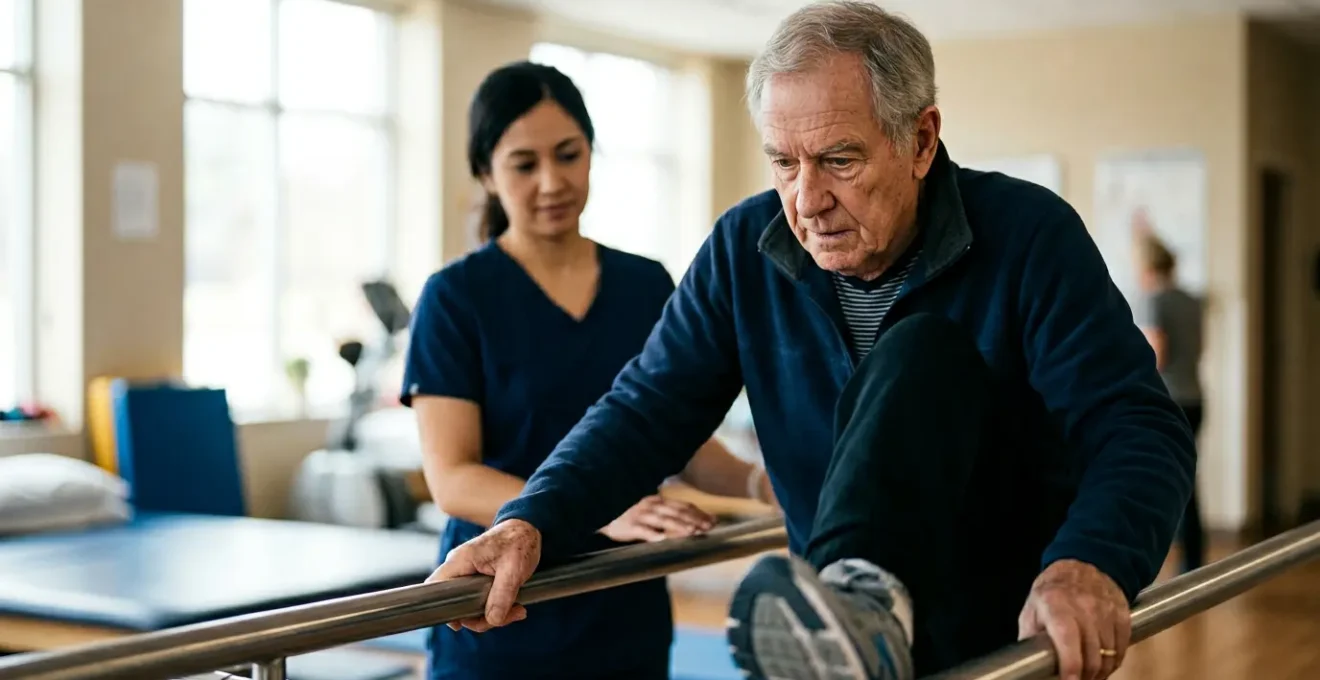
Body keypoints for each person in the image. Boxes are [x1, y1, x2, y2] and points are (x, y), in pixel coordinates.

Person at [428, 4, 1196, 680]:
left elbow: (1136, 426)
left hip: (1002, 635)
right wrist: (528, 520)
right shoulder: (744, 248)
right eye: (783, 163)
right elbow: (646, 407)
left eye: (839, 161)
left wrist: (1089, 563)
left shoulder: (1028, 237)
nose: (806, 200)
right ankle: (854, 604)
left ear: (922, 140)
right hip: (832, 653)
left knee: (922, 349)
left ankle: (864, 597)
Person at [402, 61, 776, 680]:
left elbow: (672, 432)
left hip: (623, 603)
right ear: (485, 174)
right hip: (502, 609)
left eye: (569, 154)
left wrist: (771, 487)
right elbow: (452, 477)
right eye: (524, 164)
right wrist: (590, 506)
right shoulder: (456, 297)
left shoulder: (644, 282)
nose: (552, 181)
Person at [1134, 230, 1207, 573]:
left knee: (1161, 479)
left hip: (1169, 400)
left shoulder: (1154, 300)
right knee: (1189, 480)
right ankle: (1192, 559)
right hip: (1195, 396)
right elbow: (1200, 347)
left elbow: (1156, 354)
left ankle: (1162, 562)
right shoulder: (1192, 300)